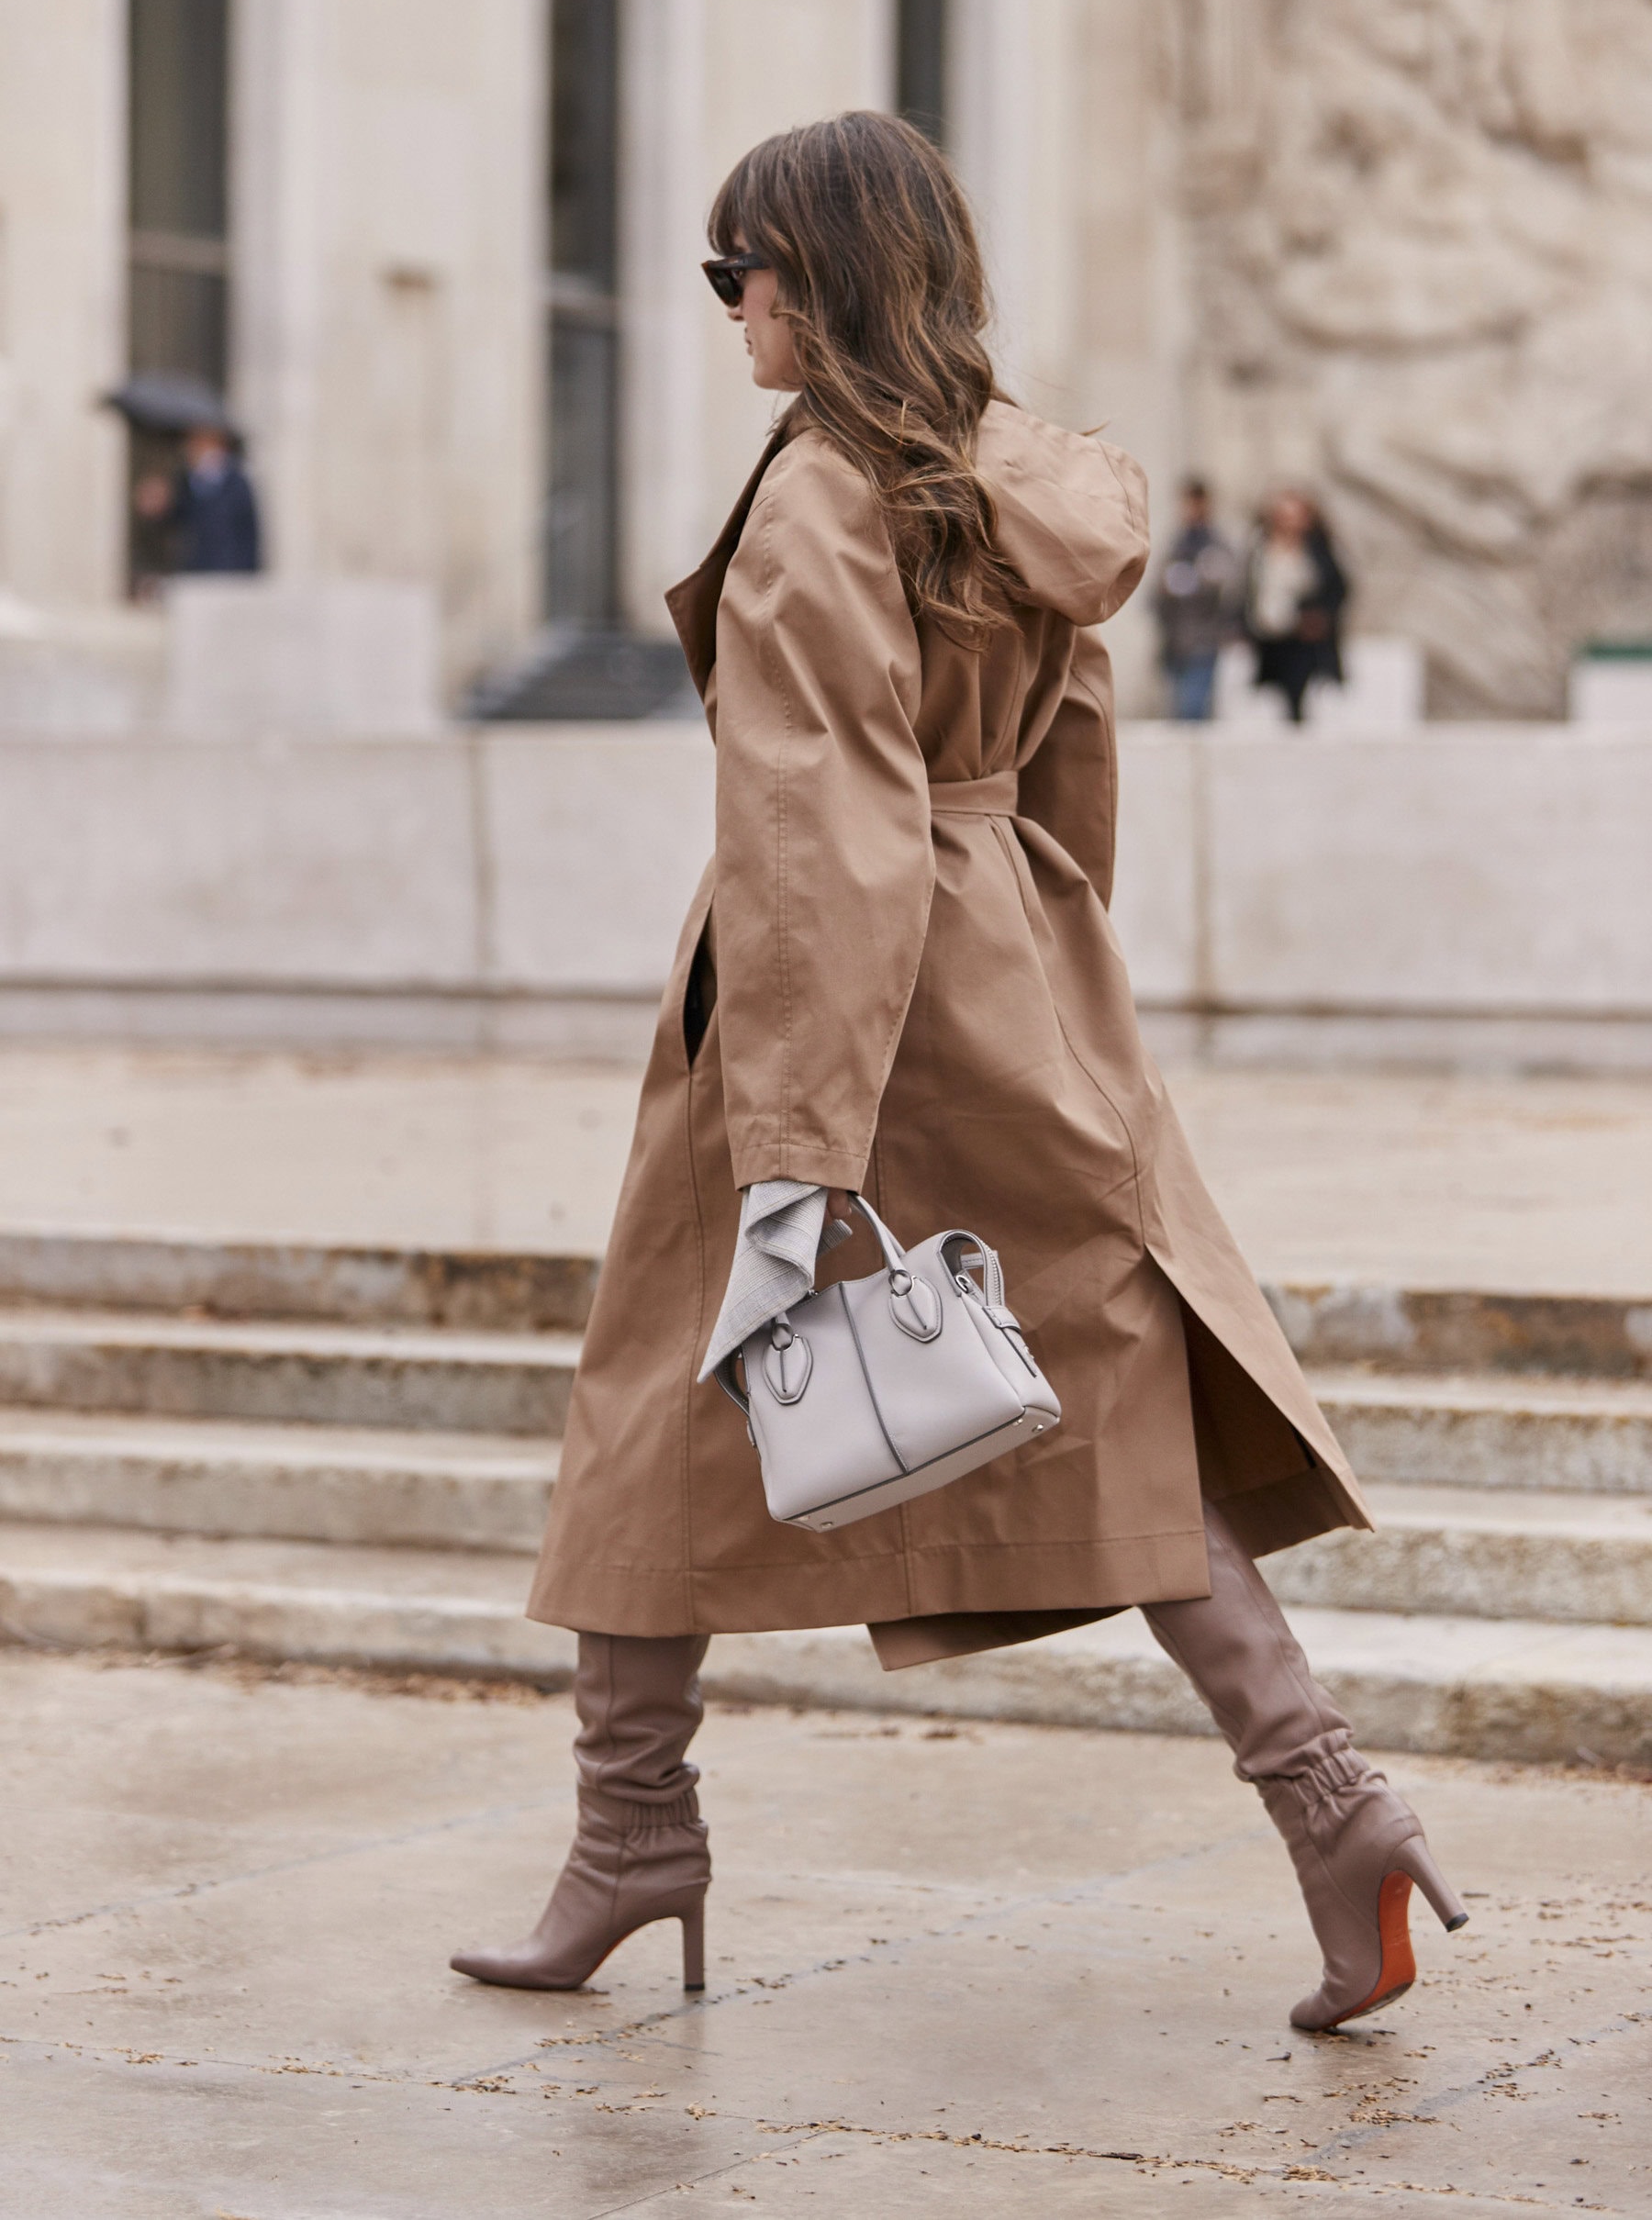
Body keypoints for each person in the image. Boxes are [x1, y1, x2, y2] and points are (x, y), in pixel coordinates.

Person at [449, 114, 1465, 2033]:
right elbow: (1074, 781)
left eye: (735, 266)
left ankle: (633, 1832)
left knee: (657, 1416)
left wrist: (792, 1155)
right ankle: (1338, 1808)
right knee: (1109, 1418)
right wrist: (1051, 975)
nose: (726, 302)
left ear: (816, 276)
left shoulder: (830, 490)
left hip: (830, 1006)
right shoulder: (1022, 485)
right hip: (1010, 971)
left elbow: (821, 819)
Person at [1243, 490, 1348, 724]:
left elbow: (1337, 588)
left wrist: (1319, 616)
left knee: (1302, 696)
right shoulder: (1260, 547)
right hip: (1270, 637)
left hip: (1305, 640)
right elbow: (1250, 591)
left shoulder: (1319, 549)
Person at [1152, 475, 1241, 720]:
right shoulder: (1175, 543)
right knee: (1178, 711)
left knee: (1193, 711)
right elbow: (1156, 592)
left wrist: (1198, 580)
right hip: (1175, 641)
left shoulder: (1216, 543)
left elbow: (1229, 590)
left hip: (1203, 640)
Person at [133, 422, 262, 581]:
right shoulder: (185, 482)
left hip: (230, 575)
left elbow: (236, 531)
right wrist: (158, 508)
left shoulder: (237, 483)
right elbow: (178, 521)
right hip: (196, 572)